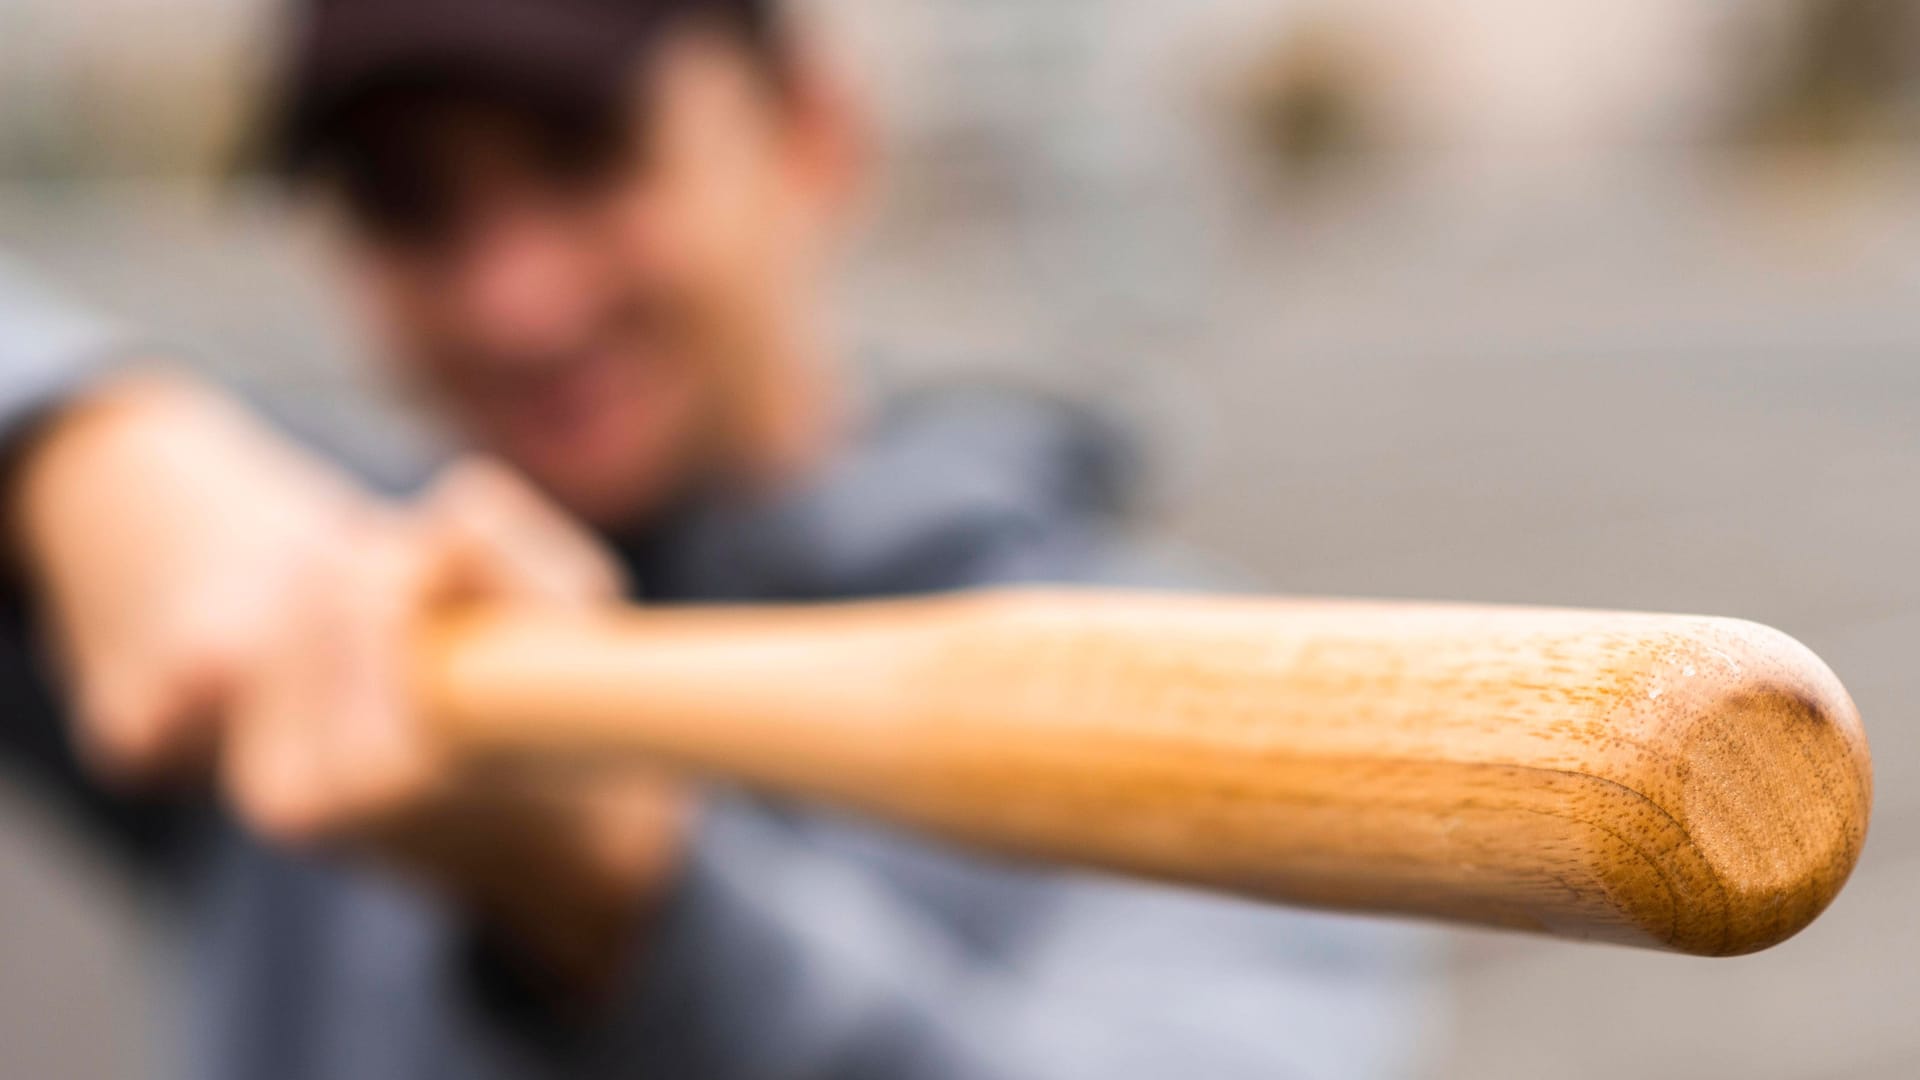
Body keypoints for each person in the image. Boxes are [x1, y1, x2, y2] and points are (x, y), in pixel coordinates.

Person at [0, 0, 1437, 1076]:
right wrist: (81, 437)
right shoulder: (311, 594)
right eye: (407, 204)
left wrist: (628, 890)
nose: (516, 300)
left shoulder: (1205, 698)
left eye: (584, 155)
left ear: (811, 132)